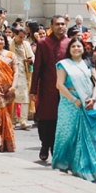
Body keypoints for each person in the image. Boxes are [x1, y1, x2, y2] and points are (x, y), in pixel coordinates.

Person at [53, 36, 96, 181]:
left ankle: (83, 166)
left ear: (83, 49)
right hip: (70, 103)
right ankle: (62, 164)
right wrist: (74, 99)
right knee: (67, 133)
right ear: (69, 50)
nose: (76, 48)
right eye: (73, 46)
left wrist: (93, 98)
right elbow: (59, 85)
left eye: (79, 46)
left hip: (88, 102)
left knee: (91, 135)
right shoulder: (63, 64)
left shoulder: (89, 64)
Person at [31, 15, 70, 161]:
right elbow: (38, 68)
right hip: (47, 87)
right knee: (45, 118)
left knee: (61, 119)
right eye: (57, 24)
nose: (60, 26)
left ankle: (56, 147)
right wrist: (33, 89)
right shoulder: (43, 43)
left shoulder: (70, 43)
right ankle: (44, 144)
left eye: (62, 24)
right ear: (51, 26)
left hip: (66, 89)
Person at [11, 26, 34, 130]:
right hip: (12, 72)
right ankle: (12, 120)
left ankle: (23, 120)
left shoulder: (26, 44)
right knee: (13, 96)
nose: (22, 39)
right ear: (14, 35)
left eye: (24, 37)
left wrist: (30, 60)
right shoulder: (9, 43)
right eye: (20, 37)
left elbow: (32, 56)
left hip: (24, 72)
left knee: (24, 96)